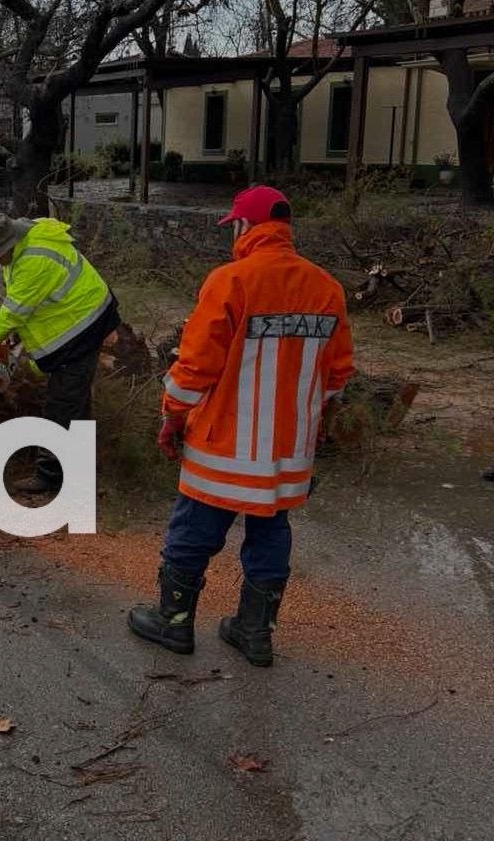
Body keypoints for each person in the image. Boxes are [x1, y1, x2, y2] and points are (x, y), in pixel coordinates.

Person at [128, 186, 354, 667]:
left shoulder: (230, 281)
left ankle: (173, 624)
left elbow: (194, 368)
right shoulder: (327, 288)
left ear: (245, 227)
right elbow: (336, 376)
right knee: (271, 533)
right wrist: (314, 423)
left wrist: (171, 416)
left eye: (234, 224)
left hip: (225, 448)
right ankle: (255, 633)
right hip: (288, 452)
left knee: (193, 530)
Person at [0, 213, 120, 493]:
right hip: (83, 317)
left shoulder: (34, 261)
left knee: (61, 405)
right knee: (76, 403)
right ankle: (81, 471)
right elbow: (25, 303)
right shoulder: (29, 237)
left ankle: (49, 476)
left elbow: (12, 312)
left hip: (83, 327)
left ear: (8, 245)